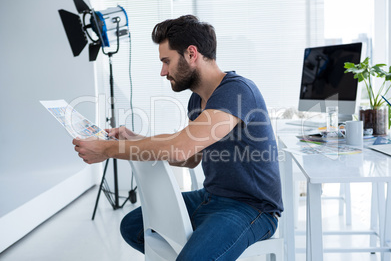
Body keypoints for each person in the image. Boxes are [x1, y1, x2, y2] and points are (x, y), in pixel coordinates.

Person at [73, 14, 283, 260]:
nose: (163, 72)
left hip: (251, 208)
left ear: (192, 54)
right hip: (211, 197)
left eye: (166, 61)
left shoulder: (237, 91)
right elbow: (190, 158)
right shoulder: (197, 99)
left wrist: (108, 150)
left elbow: (180, 148)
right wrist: (133, 138)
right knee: (133, 226)